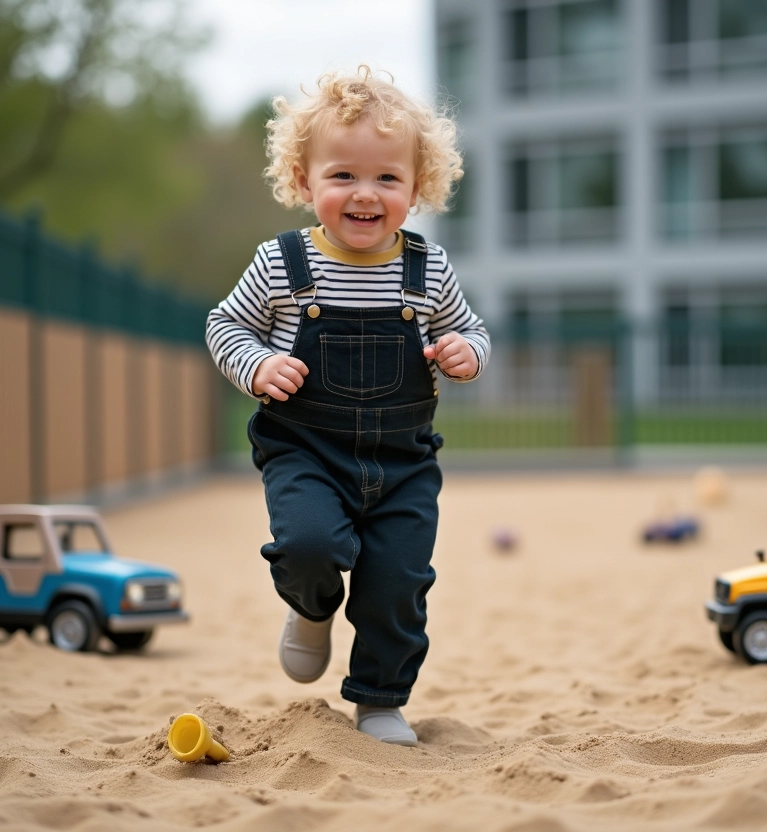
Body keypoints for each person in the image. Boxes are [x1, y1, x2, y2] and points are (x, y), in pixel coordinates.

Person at [205, 67, 489, 746]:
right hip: (306, 449)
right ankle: (312, 607)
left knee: (398, 584)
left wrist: (466, 353)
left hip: (402, 463)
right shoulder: (281, 265)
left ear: (418, 188)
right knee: (307, 546)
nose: (366, 194)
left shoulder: (428, 270)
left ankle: (380, 700)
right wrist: (257, 364)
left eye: (388, 179)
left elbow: (471, 329)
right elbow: (224, 325)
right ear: (304, 182)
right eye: (342, 176)